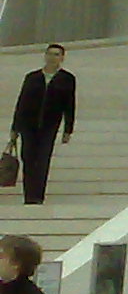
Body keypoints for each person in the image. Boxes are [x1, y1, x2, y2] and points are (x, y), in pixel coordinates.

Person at [8, 44, 75, 208]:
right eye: (50, 54)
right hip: (28, 125)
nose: (53, 57)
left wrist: (68, 129)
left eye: (57, 54)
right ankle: (29, 195)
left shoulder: (67, 79)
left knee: (43, 159)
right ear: (45, 56)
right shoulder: (32, 77)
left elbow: (70, 105)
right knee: (28, 158)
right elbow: (22, 102)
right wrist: (15, 127)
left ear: (62, 58)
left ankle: (38, 195)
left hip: (49, 125)